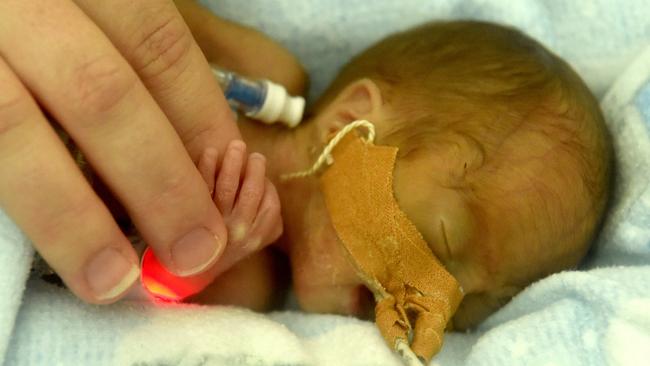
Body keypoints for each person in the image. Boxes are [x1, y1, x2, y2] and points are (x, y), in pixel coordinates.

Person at [191, 19, 613, 330]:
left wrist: (203, 257)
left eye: (467, 309)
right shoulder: (259, 69)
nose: (437, 298)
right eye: (442, 237)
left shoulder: (246, 281)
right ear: (349, 120)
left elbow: (142, 302)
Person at [0, 0, 296, 304]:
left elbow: (144, 303)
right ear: (345, 116)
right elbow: (154, 33)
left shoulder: (254, 278)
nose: (348, 310)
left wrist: (201, 267)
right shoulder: (271, 67)